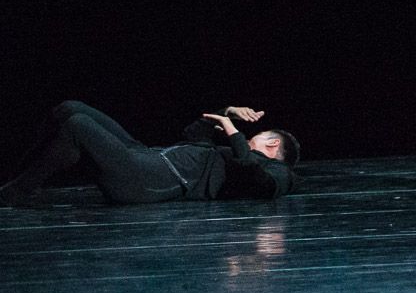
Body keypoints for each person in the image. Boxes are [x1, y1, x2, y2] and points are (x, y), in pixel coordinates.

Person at [0, 101, 299, 206]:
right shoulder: (231, 152)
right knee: (69, 109)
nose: (249, 137)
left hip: (148, 180)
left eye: (259, 135)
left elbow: (261, 183)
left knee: (78, 125)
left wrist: (233, 133)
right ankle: (18, 180)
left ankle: (15, 192)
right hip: (145, 156)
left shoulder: (278, 172)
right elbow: (191, 136)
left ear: (273, 144)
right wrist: (225, 112)